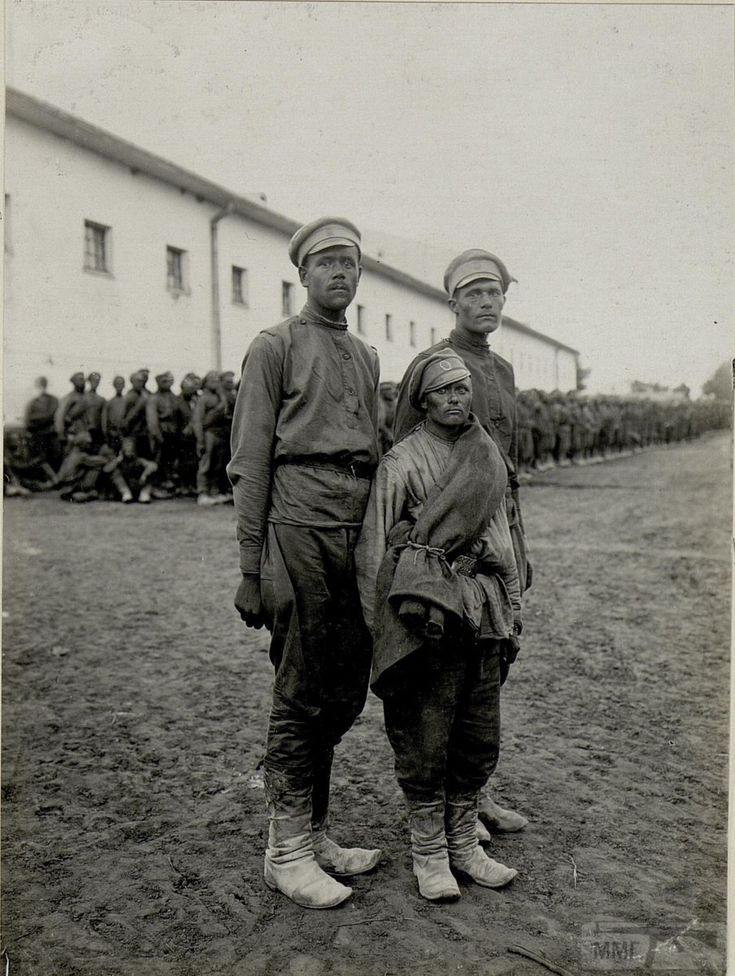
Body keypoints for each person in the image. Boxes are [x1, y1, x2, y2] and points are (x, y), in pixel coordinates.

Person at [227, 217, 381, 909]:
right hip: (297, 526)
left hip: (356, 530)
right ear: (302, 275)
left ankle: (313, 831)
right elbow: (250, 460)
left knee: (346, 687)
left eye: (349, 262)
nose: (339, 273)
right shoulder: (274, 346)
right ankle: (283, 850)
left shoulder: (367, 356)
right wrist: (249, 566)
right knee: (300, 686)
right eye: (326, 263)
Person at [356, 353, 520, 901]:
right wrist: (375, 623)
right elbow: (375, 546)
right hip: (428, 613)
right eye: (443, 391)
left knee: (478, 730)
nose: (456, 398)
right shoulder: (401, 462)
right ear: (422, 399)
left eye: (462, 389)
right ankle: (429, 853)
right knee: (426, 732)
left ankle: (465, 846)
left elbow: (501, 533)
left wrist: (512, 603)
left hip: (483, 605)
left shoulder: (486, 453)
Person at [393, 249, 530, 835]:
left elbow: (509, 467)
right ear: (452, 303)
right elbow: (404, 449)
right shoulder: (434, 363)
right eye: (474, 294)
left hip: (500, 533)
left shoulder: (501, 372)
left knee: (490, 663)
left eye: (495, 293)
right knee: (445, 672)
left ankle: (472, 794)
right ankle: (449, 804)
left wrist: (519, 545)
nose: (487, 303)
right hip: (450, 546)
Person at [193, 371, 230, 506]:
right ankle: (202, 493)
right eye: (212, 379)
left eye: (217, 379)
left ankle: (214, 492)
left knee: (217, 464)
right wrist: (200, 440)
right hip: (208, 434)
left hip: (219, 433)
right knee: (206, 464)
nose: (216, 381)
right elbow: (197, 420)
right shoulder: (203, 399)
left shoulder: (220, 397)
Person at [146, 371, 180, 494]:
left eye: (168, 381)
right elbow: (152, 420)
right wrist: (157, 435)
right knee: (160, 460)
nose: (167, 384)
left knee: (171, 461)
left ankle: (169, 485)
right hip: (161, 433)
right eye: (163, 381)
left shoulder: (174, 397)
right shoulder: (154, 398)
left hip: (173, 433)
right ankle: (157, 487)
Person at [105, 436, 157, 503]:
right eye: (126, 446)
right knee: (115, 472)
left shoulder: (138, 460)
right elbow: (106, 470)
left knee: (151, 473)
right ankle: (126, 494)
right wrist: (117, 460)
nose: (128, 448)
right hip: (124, 488)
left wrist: (144, 475)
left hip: (137, 485)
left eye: (130, 446)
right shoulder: (118, 460)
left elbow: (154, 466)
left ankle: (144, 494)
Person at [24, 376, 60, 471]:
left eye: (43, 385)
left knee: (54, 458)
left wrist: (36, 419)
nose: (41, 388)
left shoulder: (53, 400)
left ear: (46, 385)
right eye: (39, 385)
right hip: (37, 436)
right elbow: (27, 421)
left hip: (50, 435)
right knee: (36, 459)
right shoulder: (32, 403)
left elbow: (51, 414)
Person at [54, 372, 89, 450]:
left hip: (87, 434)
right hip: (73, 434)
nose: (82, 382)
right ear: (74, 382)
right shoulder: (69, 398)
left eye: (83, 380)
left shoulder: (88, 396)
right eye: (79, 380)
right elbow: (60, 416)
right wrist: (61, 434)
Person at [102, 375, 127, 454]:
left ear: (124, 385)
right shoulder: (109, 403)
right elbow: (104, 421)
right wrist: (107, 434)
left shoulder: (127, 401)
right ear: (114, 385)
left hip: (125, 434)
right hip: (113, 435)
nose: (119, 386)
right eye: (117, 384)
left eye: (121, 384)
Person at [85, 372, 106, 450]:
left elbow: (103, 418)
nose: (95, 383)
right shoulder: (84, 396)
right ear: (89, 381)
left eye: (97, 381)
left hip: (97, 431)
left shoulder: (101, 400)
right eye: (93, 380)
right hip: (85, 430)